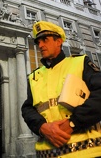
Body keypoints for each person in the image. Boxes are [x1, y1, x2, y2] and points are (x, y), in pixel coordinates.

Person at [21, 21, 101, 158]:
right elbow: (27, 109)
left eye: (45, 40)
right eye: (38, 42)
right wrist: (42, 127)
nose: (40, 45)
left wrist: (72, 123)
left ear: (59, 41)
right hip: (46, 153)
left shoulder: (80, 62)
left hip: (86, 152)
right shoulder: (34, 76)